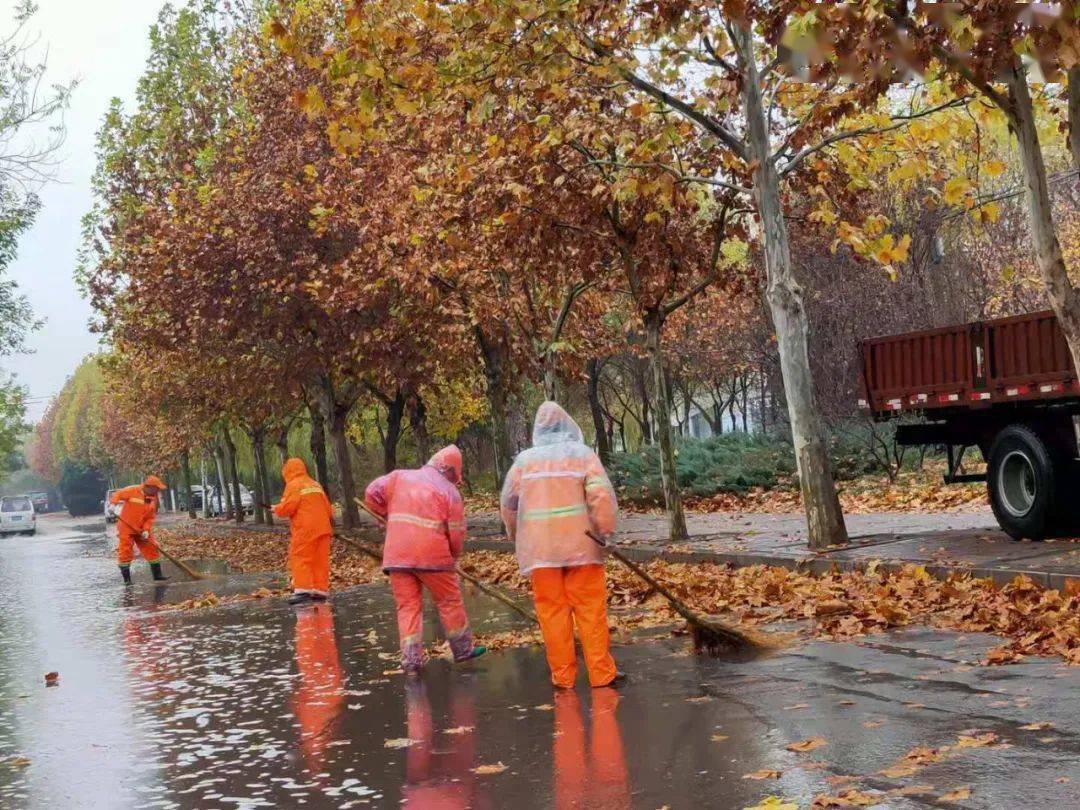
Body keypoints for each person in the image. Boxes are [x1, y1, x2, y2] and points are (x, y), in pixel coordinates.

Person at [500, 402, 623, 690]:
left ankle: (563, 678)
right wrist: (605, 532)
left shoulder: (524, 463)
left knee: (552, 615)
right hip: (583, 547)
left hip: (541, 552)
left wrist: (514, 533)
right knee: (591, 611)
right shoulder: (583, 456)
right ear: (568, 425)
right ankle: (602, 675)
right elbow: (600, 496)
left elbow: (509, 503)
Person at [365, 445, 486, 673]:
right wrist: (454, 557)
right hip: (434, 558)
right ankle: (463, 649)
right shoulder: (450, 492)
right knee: (449, 601)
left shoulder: (399, 477)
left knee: (407, 607)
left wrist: (384, 512)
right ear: (451, 472)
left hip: (397, 557)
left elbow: (372, 492)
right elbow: (457, 533)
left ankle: (412, 659)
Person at [273, 458, 335, 606]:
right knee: (320, 560)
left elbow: (288, 507)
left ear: (287, 472)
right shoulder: (316, 484)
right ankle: (320, 591)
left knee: (301, 557)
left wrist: (277, 509)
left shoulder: (293, 485)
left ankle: (302, 591)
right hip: (323, 528)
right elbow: (329, 510)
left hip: (305, 529)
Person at [112, 475, 169, 584]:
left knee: (152, 548)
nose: (158, 490)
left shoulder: (153, 499)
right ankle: (127, 580)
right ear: (149, 487)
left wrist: (146, 530)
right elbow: (118, 494)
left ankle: (157, 575)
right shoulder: (132, 490)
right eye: (156, 488)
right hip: (126, 527)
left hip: (141, 530)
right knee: (125, 551)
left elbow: (150, 517)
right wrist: (113, 504)